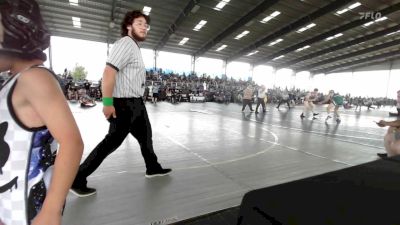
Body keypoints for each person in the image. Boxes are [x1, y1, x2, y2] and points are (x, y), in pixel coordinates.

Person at [71, 10, 171, 197]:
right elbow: (108, 73)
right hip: (124, 104)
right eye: (139, 23)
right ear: (128, 26)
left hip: (136, 103)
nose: (144, 27)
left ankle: (153, 167)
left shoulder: (134, 47)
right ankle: (77, 177)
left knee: (146, 138)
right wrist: (107, 103)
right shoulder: (125, 44)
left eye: (146, 25)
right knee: (111, 143)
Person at [0, 0, 84, 224]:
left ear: (15, 33)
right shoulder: (13, 82)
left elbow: (72, 142)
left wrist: (51, 210)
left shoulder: (34, 78)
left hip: (26, 210)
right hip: (9, 206)